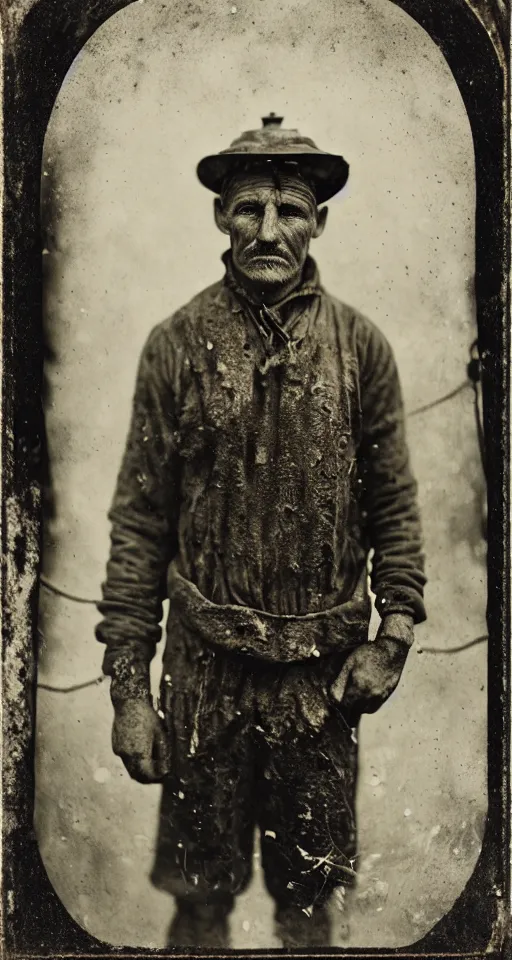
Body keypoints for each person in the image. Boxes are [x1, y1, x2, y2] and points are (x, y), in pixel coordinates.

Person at [96, 114, 426, 948]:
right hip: (204, 680)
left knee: (310, 912)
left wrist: (392, 637)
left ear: (320, 221)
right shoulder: (175, 346)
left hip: (319, 689)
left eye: (290, 210)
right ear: (219, 216)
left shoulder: (362, 350)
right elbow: (138, 529)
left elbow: (395, 510)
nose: (269, 230)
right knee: (198, 904)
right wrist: (132, 695)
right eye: (249, 208)